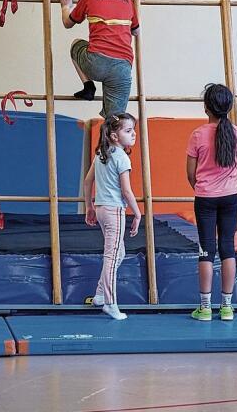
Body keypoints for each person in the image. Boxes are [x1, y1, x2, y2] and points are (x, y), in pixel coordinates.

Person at [187, 84, 237, 321]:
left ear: (206, 108)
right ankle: (227, 307)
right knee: (227, 250)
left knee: (206, 251)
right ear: (229, 107)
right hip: (231, 197)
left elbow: (190, 173)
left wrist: (203, 187)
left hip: (205, 198)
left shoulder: (198, 134)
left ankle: (204, 308)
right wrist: (228, 185)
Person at [60, 0, 138, 119]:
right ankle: (111, 142)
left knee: (76, 44)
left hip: (95, 63)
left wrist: (65, 6)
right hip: (122, 69)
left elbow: (68, 23)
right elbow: (136, 32)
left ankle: (88, 86)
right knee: (115, 121)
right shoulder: (128, 0)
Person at [84, 113, 141, 319]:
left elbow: (87, 181)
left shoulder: (101, 153)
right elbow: (126, 191)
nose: (133, 133)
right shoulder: (121, 157)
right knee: (111, 256)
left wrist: (89, 206)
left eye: (133, 129)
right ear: (115, 136)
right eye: (128, 130)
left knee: (119, 253)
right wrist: (137, 213)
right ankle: (110, 303)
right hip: (114, 210)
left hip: (101, 209)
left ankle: (100, 294)